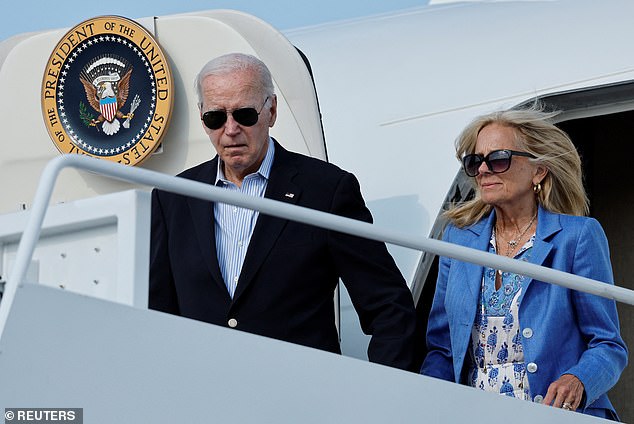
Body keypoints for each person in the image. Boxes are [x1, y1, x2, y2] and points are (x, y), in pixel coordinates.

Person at [149, 52, 417, 371]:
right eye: (216, 118)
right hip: (205, 399)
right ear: (202, 117)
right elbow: (156, 316)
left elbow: (389, 306)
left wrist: (386, 394)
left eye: (245, 114)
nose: (230, 129)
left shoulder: (326, 190)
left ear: (271, 110)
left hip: (303, 400)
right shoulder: (173, 197)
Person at [420, 106, 628, 419]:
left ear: (538, 170)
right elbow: (442, 349)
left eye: (499, 158)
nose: (484, 170)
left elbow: (608, 345)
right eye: (475, 161)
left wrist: (579, 380)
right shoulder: (458, 240)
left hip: (556, 415)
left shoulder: (578, 237)